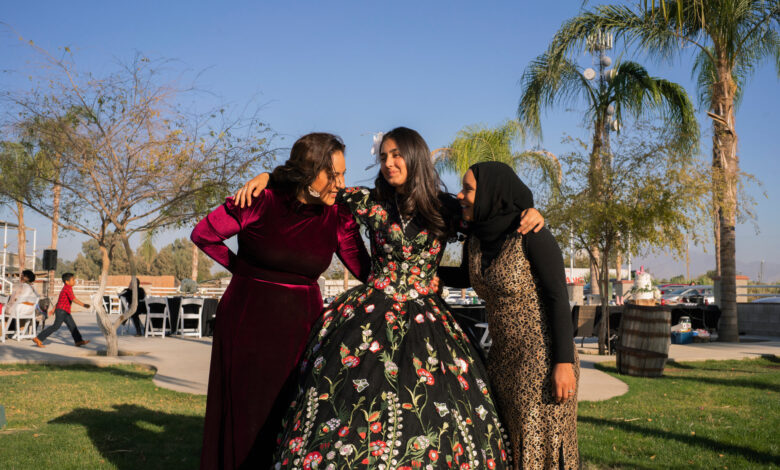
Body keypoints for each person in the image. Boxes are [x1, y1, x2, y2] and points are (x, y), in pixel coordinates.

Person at [236, 127, 545, 469]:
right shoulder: (369, 202)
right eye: (383, 156)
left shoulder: (448, 209)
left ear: (414, 156)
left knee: (435, 406)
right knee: (352, 404)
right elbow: (315, 187)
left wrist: (529, 211)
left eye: (396, 155)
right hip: (369, 316)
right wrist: (269, 178)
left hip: (430, 324)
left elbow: (494, 214)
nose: (388, 163)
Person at [190, 133, 372, 469]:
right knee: (246, 414)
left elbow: (364, 268)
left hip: (302, 330)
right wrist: (242, 269)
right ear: (308, 170)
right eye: (333, 175)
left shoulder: (339, 216)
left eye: (344, 174)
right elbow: (204, 234)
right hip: (247, 321)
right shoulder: (262, 199)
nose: (341, 183)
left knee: (293, 415)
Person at [438, 162, 579, 469]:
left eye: (468, 189)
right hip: (502, 359)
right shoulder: (476, 240)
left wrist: (564, 363)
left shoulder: (531, 233)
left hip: (542, 359)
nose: (460, 194)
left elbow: (558, 297)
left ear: (491, 192)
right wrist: (417, 269)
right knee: (512, 447)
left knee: (539, 448)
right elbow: (463, 276)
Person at [33, 272, 90, 348]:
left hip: (64, 311)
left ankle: (78, 341)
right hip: (61, 311)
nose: (74, 281)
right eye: (73, 280)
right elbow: (73, 299)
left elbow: (59, 301)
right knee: (55, 326)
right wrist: (83, 305)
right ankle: (38, 338)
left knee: (72, 326)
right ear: (67, 282)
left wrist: (53, 310)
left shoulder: (65, 289)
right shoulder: (67, 288)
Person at [4, 270, 40, 336]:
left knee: (4, 311)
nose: (20, 277)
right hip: (30, 311)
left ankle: (2, 332)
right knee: (19, 309)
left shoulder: (24, 286)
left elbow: (18, 298)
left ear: (26, 278)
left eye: (22, 276)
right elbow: (36, 297)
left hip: (19, 311)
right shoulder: (34, 288)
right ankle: (21, 332)